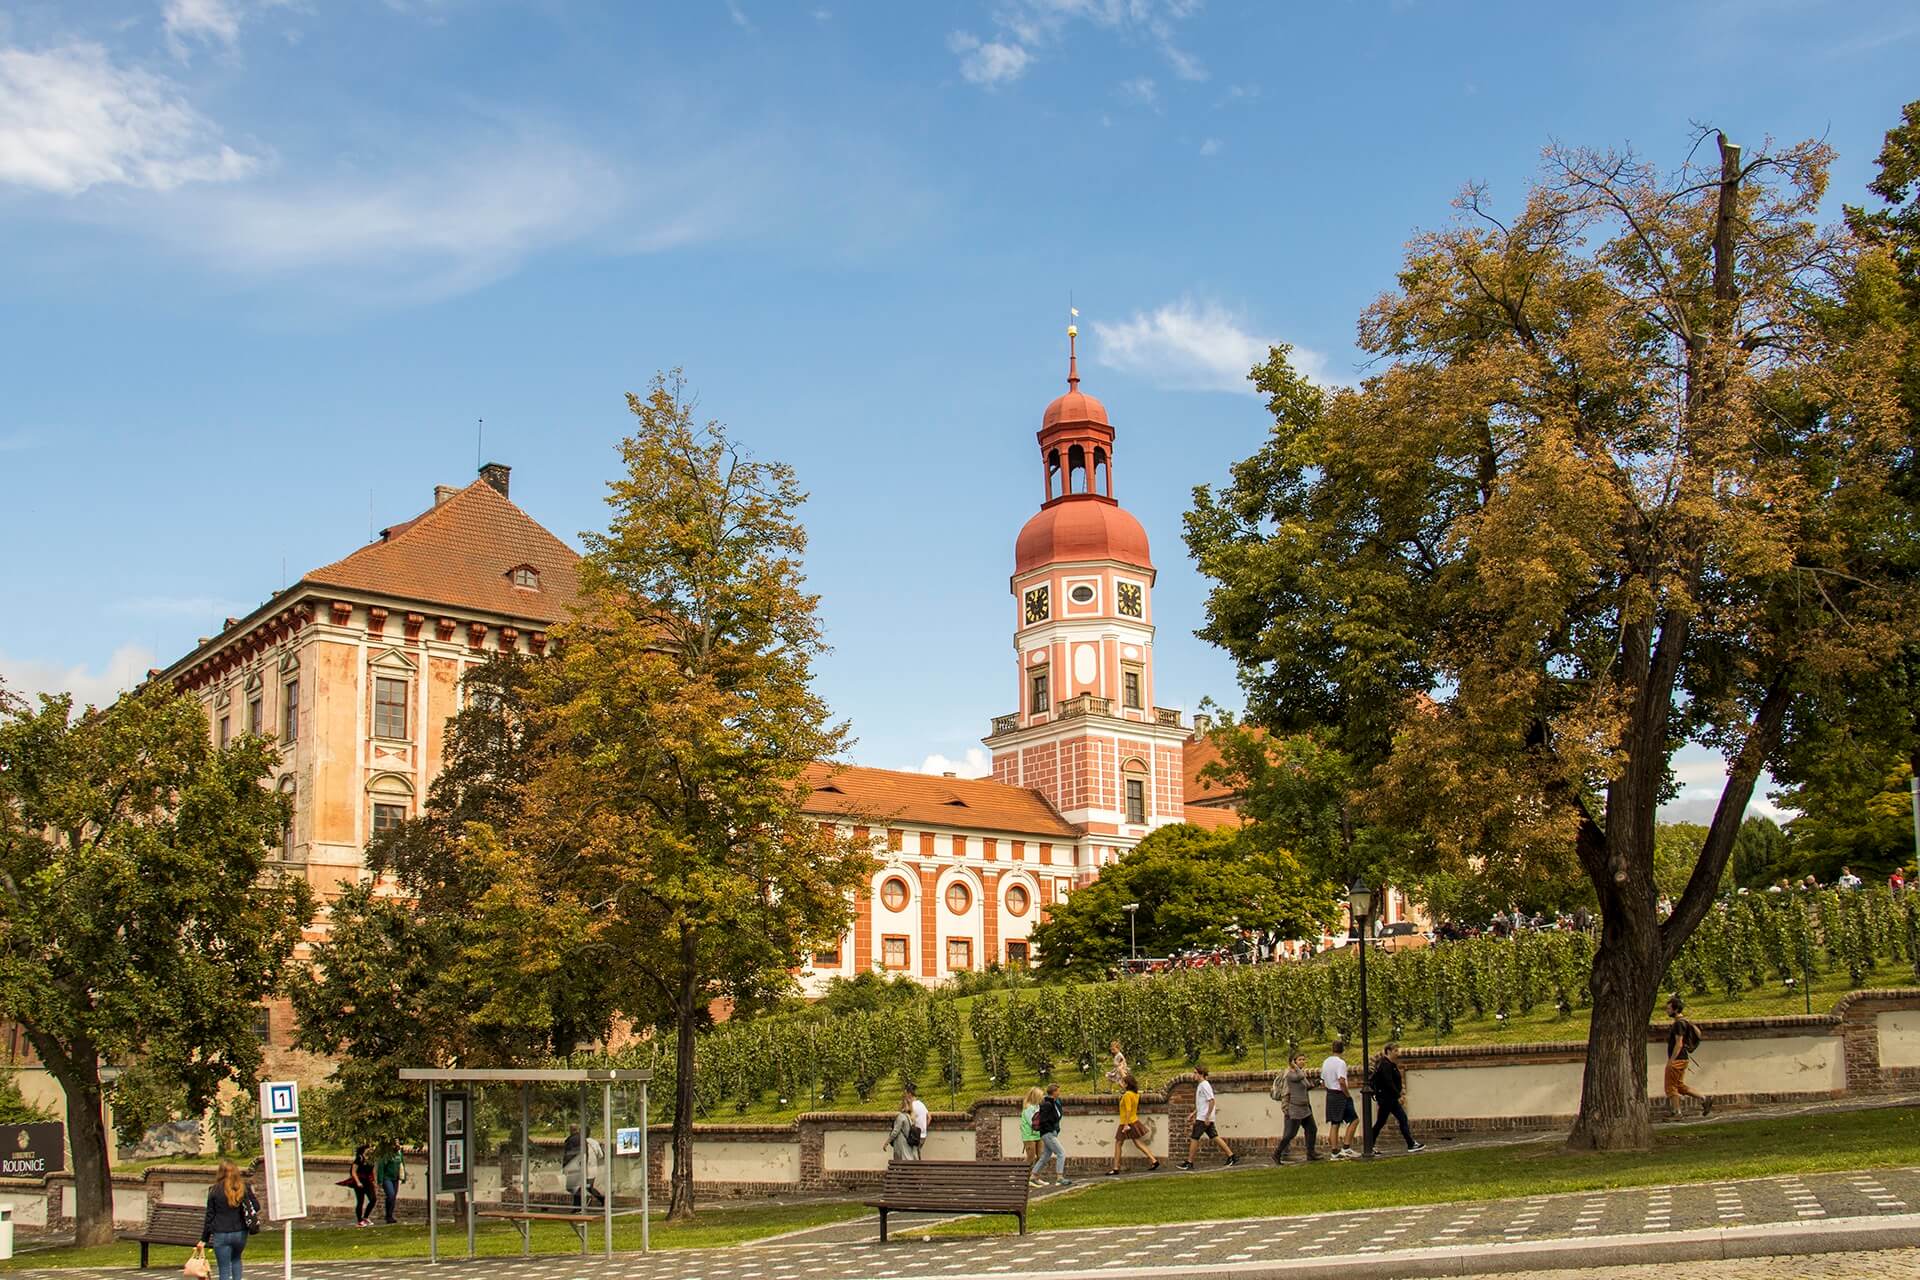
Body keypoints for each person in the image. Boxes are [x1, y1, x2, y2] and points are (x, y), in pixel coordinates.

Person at [198, 1159, 258, 1280]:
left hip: (221, 1233)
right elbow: (256, 1206)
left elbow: (210, 1216)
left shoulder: (214, 1190)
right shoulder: (244, 1187)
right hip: (240, 1232)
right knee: (236, 1259)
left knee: (224, 1268)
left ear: (220, 1172)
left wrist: (204, 1239)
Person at [1363, 1043, 1425, 1155]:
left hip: (1389, 1098)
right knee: (1389, 1121)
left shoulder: (1390, 1064)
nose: (1398, 1053)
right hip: (1387, 1099)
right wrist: (1398, 1096)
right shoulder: (1385, 1065)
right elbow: (1388, 1082)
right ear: (1388, 1051)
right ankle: (1369, 1145)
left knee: (1397, 1119)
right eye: (1395, 1051)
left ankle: (1410, 1143)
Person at [1177, 1065, 1237, 1170]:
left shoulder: (1204, 1085)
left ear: (1201, 1074)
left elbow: (1212, 1100)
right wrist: (1193, 1113)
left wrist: (1207, 1117)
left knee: (1194, 1138)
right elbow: (1202, 1103)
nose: (1193, 1075)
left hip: (1203, 1118)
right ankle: (1232, 1156)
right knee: (1214, 1136)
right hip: (1203, 1116)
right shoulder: (1201, 1085)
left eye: (1195, 1073)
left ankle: (1189, 1162)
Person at [1664, 996, 1713, 1117]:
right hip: (1683, 1058)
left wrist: (1671, 1060)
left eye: (1669, 1008)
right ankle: (1704, 1099)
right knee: (1679, 1086)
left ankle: (1677, 1112)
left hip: (1678, 1058)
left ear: (1675, 1010)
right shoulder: (1684, 1021)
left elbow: (1679, 1043)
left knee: (1671, 1087)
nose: (1667, 1011)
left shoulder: (1679, 1024)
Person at [1270, 1051, 1318, 1163]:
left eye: (1303, 1059)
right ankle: (1277, 1153)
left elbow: (1305, 1086)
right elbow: (1290, 1088)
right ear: (1293, 1061)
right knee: (1290, 1134)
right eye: (1299, 1059)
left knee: (1312, 1129)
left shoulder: (1300, 1073)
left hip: (1304, 1108)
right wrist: (1286, 1109)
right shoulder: (1290, 1074)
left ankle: (1311, 1153)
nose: (1302, 1062)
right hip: (1294, 1108)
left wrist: (1315, 1084)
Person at [1107, 1074, 1157, 1174]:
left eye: (1122, 1082)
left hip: (1126, 1122)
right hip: (1133, 1121)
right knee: (1137, 1142)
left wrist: (1125, 1125)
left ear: (1126, 1084)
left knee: (1118, 1143)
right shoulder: (1135, 1094)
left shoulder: (1127, 1095)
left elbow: (1128, 1110)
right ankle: (1154, 1160)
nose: (1120, 1083)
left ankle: (1116, 1168)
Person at [1321, 1039, 1359, 1158]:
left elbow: (1322, 1081)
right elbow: (1341, 1081)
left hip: (1330, 1094)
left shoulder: (1326, 1062)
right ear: (1343, 1050)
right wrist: (1347, 1095)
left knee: (1335, 1123)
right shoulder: (1340, 1063)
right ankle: (1346, 1147)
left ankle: (1334, 1151)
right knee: (1354, 1120)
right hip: (1340, 1094)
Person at [1032, 1083, 1070, 1186]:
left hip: (1050, 1132)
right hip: (1048, 1133)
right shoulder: (1047, 1104)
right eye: (1058, 1090)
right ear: (1054, 1092)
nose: (1059, 1092)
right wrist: (1050, 1129)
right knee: (1061, 1152)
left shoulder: (1052, 1102)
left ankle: (1033, 1176)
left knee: (1046, 1156)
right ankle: (1059, 1177)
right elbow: (1043, 1120)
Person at [563, 1125, 606, 1206]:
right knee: (586, 1187)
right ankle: (584, 1203)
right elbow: (600, 1155)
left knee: (581, 1187)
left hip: (584, 1168)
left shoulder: (580, 1141)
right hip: (591, 1169)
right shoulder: (594, 1142)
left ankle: (582, 1204)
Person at [1019, 1087, 1045, 1186]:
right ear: (1036, 1096)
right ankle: (1022, 1177)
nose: (1042, 1098)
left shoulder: (1038, 1106)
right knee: (1031, 1157)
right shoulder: (1028, 1108)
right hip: (1029, 1135)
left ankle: (1036, 1177)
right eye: (1041, 1096)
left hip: (1039, 1134)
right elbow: (1032, 1122)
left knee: (1040, 1156)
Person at [348, 1144, 376, 1226]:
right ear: (365, 1149)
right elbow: (353, 1171)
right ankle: (360, 1220)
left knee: (373, 1199)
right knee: (360, 1201)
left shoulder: (371, 1159)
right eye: (370, 1149)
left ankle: (366, 1217)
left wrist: (374, 1181)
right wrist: (358, 1182)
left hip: (367, 1181)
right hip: (359, 1181)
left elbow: (372, 1170)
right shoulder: (359, 1158)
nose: (371, 1150)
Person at [376, 1143, 404, 1225]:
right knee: (391, 1195)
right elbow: (381, 1167)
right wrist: (380, 1180)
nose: (397, 1145)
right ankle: (388, 1215)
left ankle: (390, 1215)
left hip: (395, 1179)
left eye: (398, 1143)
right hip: (387, 1178)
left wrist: (403, 1177)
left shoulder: (399, 1154)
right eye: (395, 1144)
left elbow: (402, 1165)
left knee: (393, 1197)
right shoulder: (386, 1155)